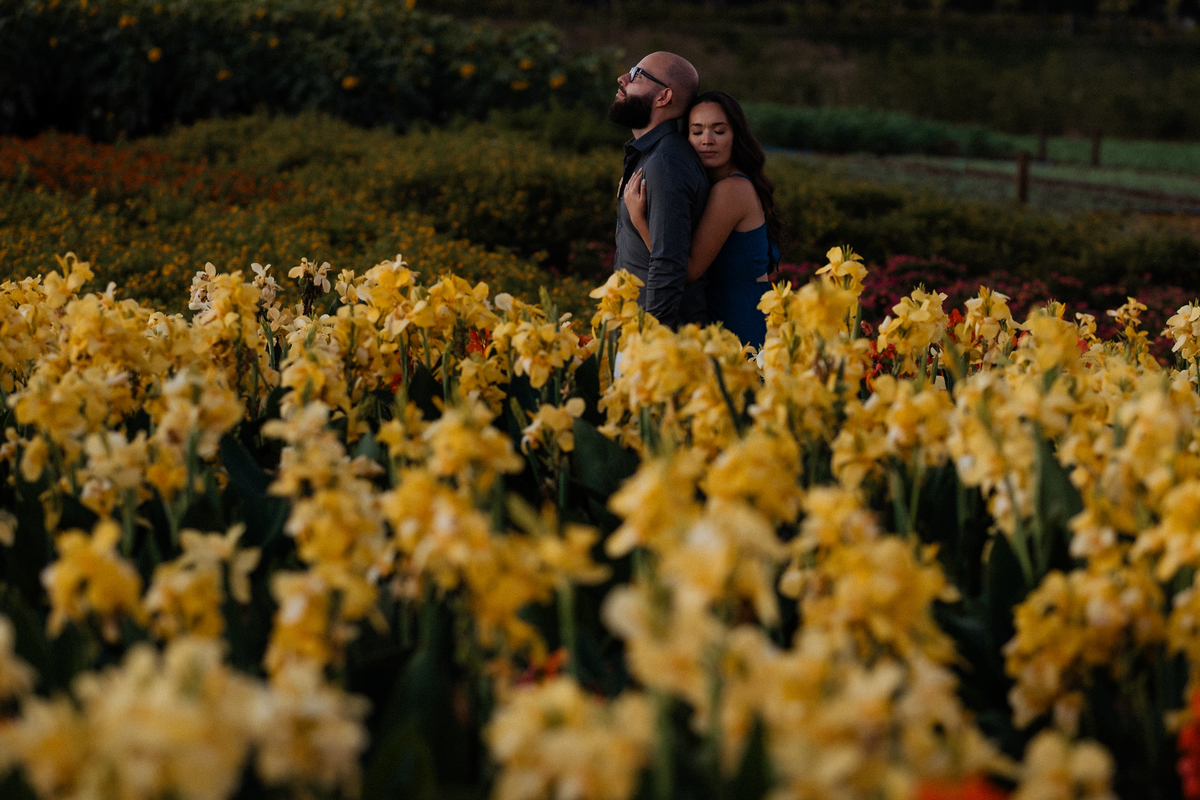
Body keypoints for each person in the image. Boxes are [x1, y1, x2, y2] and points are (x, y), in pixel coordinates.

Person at [624, 91, 782, 349]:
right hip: (720, 314)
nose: (707, 140)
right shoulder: (713, 186)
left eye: (718, 131)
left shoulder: (731, 190)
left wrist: (638, 218)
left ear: (736, 136)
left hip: (741, 318)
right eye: (697, 132)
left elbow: (687, 270)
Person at [609, 52, 710, 330]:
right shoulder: (649, 155)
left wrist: (652, 340)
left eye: (637, 75)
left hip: (658, 343)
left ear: (663, 97)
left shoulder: (666, 163)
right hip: (633, 331)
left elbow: (669, 264)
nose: (623, 79)